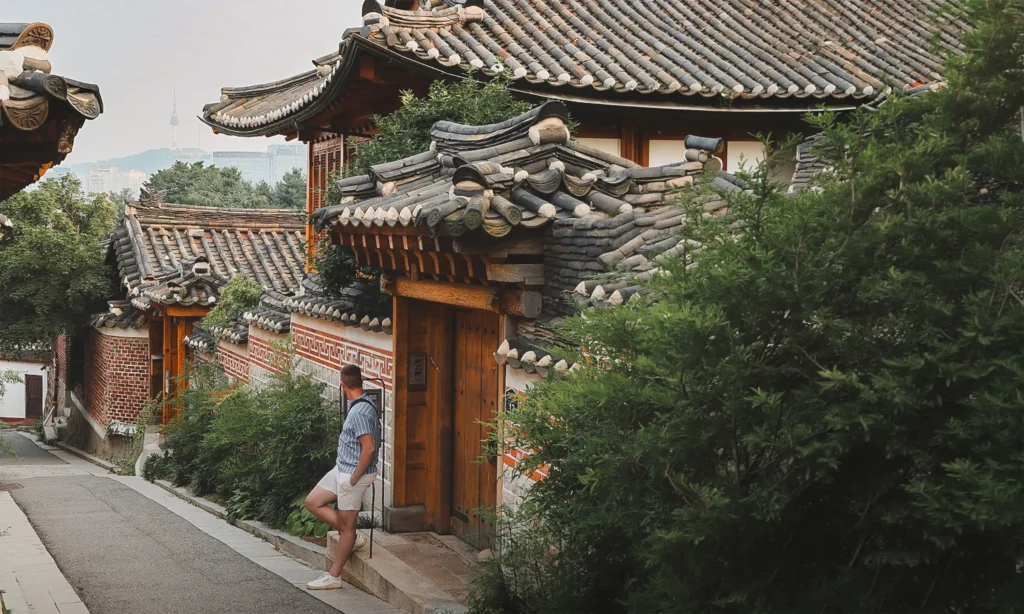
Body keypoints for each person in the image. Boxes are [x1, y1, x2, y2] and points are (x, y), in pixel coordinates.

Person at [305, 364, 381, 590]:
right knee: (313, 501)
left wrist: (354, 478)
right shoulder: (363, 404)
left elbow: (368, 449)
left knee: (347, 528)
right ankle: (351, 537)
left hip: (352, 475)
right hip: (341, 468)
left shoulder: (359, 412)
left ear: (342, 384)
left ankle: (334, 575)